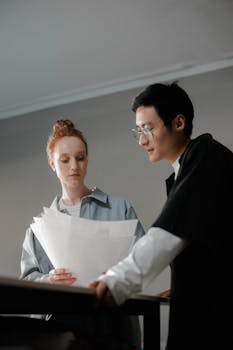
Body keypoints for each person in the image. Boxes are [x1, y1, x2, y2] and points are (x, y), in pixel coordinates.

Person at [91, 82, 233, 350]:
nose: (142, 140)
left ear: (178, 123)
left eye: (149, 128)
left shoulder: (206, 155)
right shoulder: (182, 173)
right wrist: (185, 287)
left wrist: (118, 281)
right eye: (138, 131)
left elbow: (169, 234)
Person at [20, 119, 145, 350]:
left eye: (80, 157)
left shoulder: (121, 208)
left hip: (114, 323)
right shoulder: (40, 226)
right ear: (52, 164)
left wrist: (115, 274)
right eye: (64, 160)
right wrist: (49, 280)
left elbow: (143, 261)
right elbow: (27, 283)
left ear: (87, 159)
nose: (74, 166)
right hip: (62, 327)